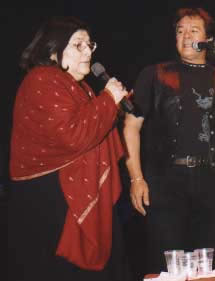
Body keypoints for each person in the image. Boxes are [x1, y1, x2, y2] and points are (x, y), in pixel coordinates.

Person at [123, 7, 215, 273]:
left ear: (207, 39)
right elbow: (130, 127)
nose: (185, 36)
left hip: (210, 183)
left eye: (193, 30)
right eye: (180, 30)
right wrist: (136, 177)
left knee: (205, 267)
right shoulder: (154, 74)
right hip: (164, 182)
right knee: (166, 267)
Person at [7, 17, 132, 281]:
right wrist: (109, 99)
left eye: (90, 44)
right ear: (53, 51)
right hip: (50, 200)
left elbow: (90, 130)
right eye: (78, 45)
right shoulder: (42, 79)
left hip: (73, 190)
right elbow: (74, 134)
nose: (89, 51)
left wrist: (111, 107)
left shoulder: (81, 87)